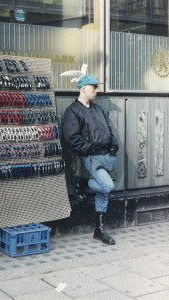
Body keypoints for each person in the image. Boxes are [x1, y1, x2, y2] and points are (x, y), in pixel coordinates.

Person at [62, 74, 118, 245]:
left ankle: (99, 230)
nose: (97, 90)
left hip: (106, 155)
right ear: (83, 88)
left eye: (97, 87)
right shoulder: (73, 111)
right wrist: (90, 149)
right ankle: (84, 183)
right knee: (107, 186)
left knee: (103, 190)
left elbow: (109, 128)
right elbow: (71, 138)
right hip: (92, 156)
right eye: (94, 87)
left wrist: (114, 146)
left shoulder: (97, 109)